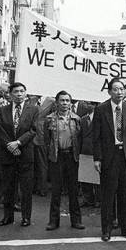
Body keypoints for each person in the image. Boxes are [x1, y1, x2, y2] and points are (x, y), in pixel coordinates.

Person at [92, 78, 126, 242]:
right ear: (109, 91)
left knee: (125, 194)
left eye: (122, 89)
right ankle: (106, 230)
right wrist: (97, 158)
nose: (119, 92)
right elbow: (96, 136)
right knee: (108, 195)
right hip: (108, 156)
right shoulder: (101, 109)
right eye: (116, 89)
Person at [0, 82, 39, 227]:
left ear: (25, 93)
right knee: (8, 187)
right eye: (16, 92)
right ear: (10, 94)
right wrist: (11, 146)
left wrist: (18, 143)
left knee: (26, 188)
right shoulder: (2, 110)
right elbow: (0, 130)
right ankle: (8, 217)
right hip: (8, 153)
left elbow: (33, 130)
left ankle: (26, 217)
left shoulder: (34, 110)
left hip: (25, 153)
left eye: (21, 91)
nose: (19, 94)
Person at [44, 91, 84, 230]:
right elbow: (46, 140)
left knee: (73, 190)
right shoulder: (49, 119)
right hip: (56, 156)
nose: (65, 103)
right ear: (56, 102)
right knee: (56, 190)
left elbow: (80, 139)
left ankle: (76, 220)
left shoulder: (77, 119)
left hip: (72, 157)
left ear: (71, 103)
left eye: (67, 100)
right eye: (62, 100)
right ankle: (54, 221)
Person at [33, 96, 56, 197]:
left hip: (42, 137)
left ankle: (42, 188)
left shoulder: (50, 100)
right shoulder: (33, 99)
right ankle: (36, 187)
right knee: (35, 165)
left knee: (42, 164)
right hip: (33, 136)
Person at [79, 103, 100, 208]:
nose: (87, 105)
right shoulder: (83, 119)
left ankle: (99, 199)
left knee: (97, 178)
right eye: (86, 103)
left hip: (96, 151)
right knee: (85, 178)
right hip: (84, 151)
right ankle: (88, 199)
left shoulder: (101, 117)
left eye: (90, 103)